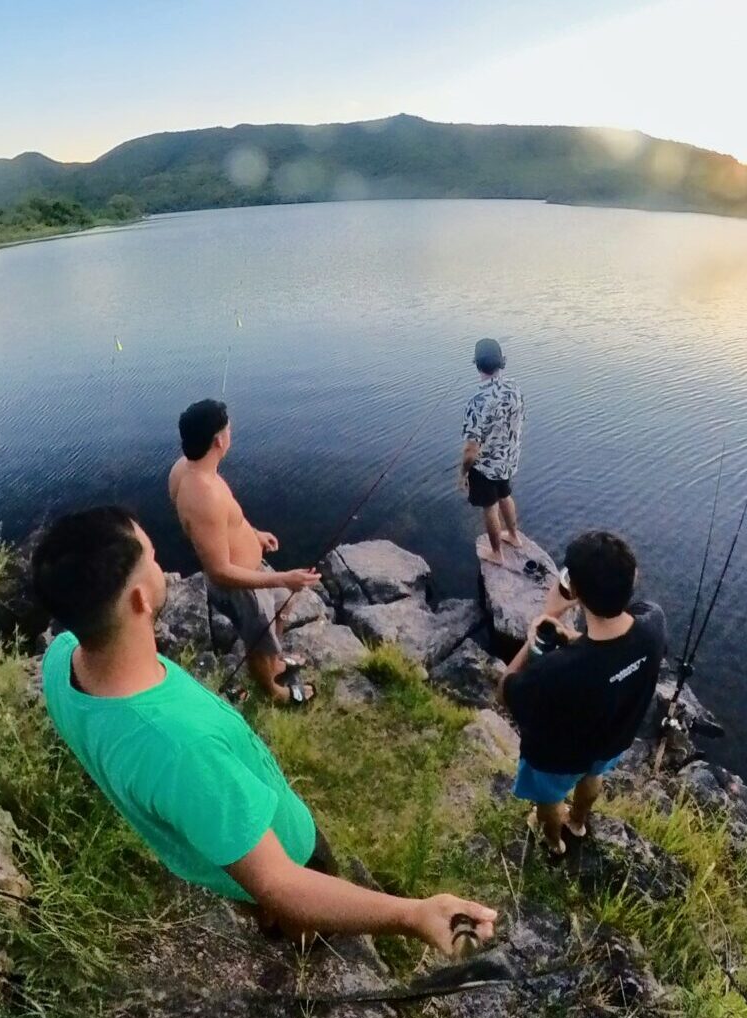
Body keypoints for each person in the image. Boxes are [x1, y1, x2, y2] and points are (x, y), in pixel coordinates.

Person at [33, 506, 497, 952]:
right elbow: (278, 883)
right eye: (152, 558)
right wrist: (413, 916)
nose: (160, 565)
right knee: (292, 912)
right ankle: (305, 945)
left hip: (214, 845)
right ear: (138, 599)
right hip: (290, 854)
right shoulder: (184, 750)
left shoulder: (60, 659)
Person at [499, 531, 667, 855]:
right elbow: (611, 650)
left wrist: (545, 622)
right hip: (612, 741)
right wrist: (572, 638)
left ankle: (553, 841)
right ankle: (577, 823)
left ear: (573, 591)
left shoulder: (555, 672)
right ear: (633, 578)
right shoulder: (653, 623)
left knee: (548, 800)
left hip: (557, 760)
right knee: (594, 775)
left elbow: (505, 689)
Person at [168, 398, 319, 706]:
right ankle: (274, 691)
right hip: (241, 588)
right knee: (259, 639)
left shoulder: (187, 468)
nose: (230, 433)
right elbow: (219, 571)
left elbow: (227, 521)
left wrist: (254, 535)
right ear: (219, 440)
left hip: (252, 571)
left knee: (282, 605)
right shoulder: (203, 495)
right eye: (228, 429)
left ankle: (276, 662)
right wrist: (283, 577)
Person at [459, 337, 525, 565]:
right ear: (501, 362)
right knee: (506, 495)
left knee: (489, 507)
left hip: (486, 468)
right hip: (508, 460)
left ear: (477, 364)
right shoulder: (514, 387)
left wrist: (463, 474)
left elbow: (470, 451)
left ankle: (497, 553)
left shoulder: (477, 401)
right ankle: (514, 537)